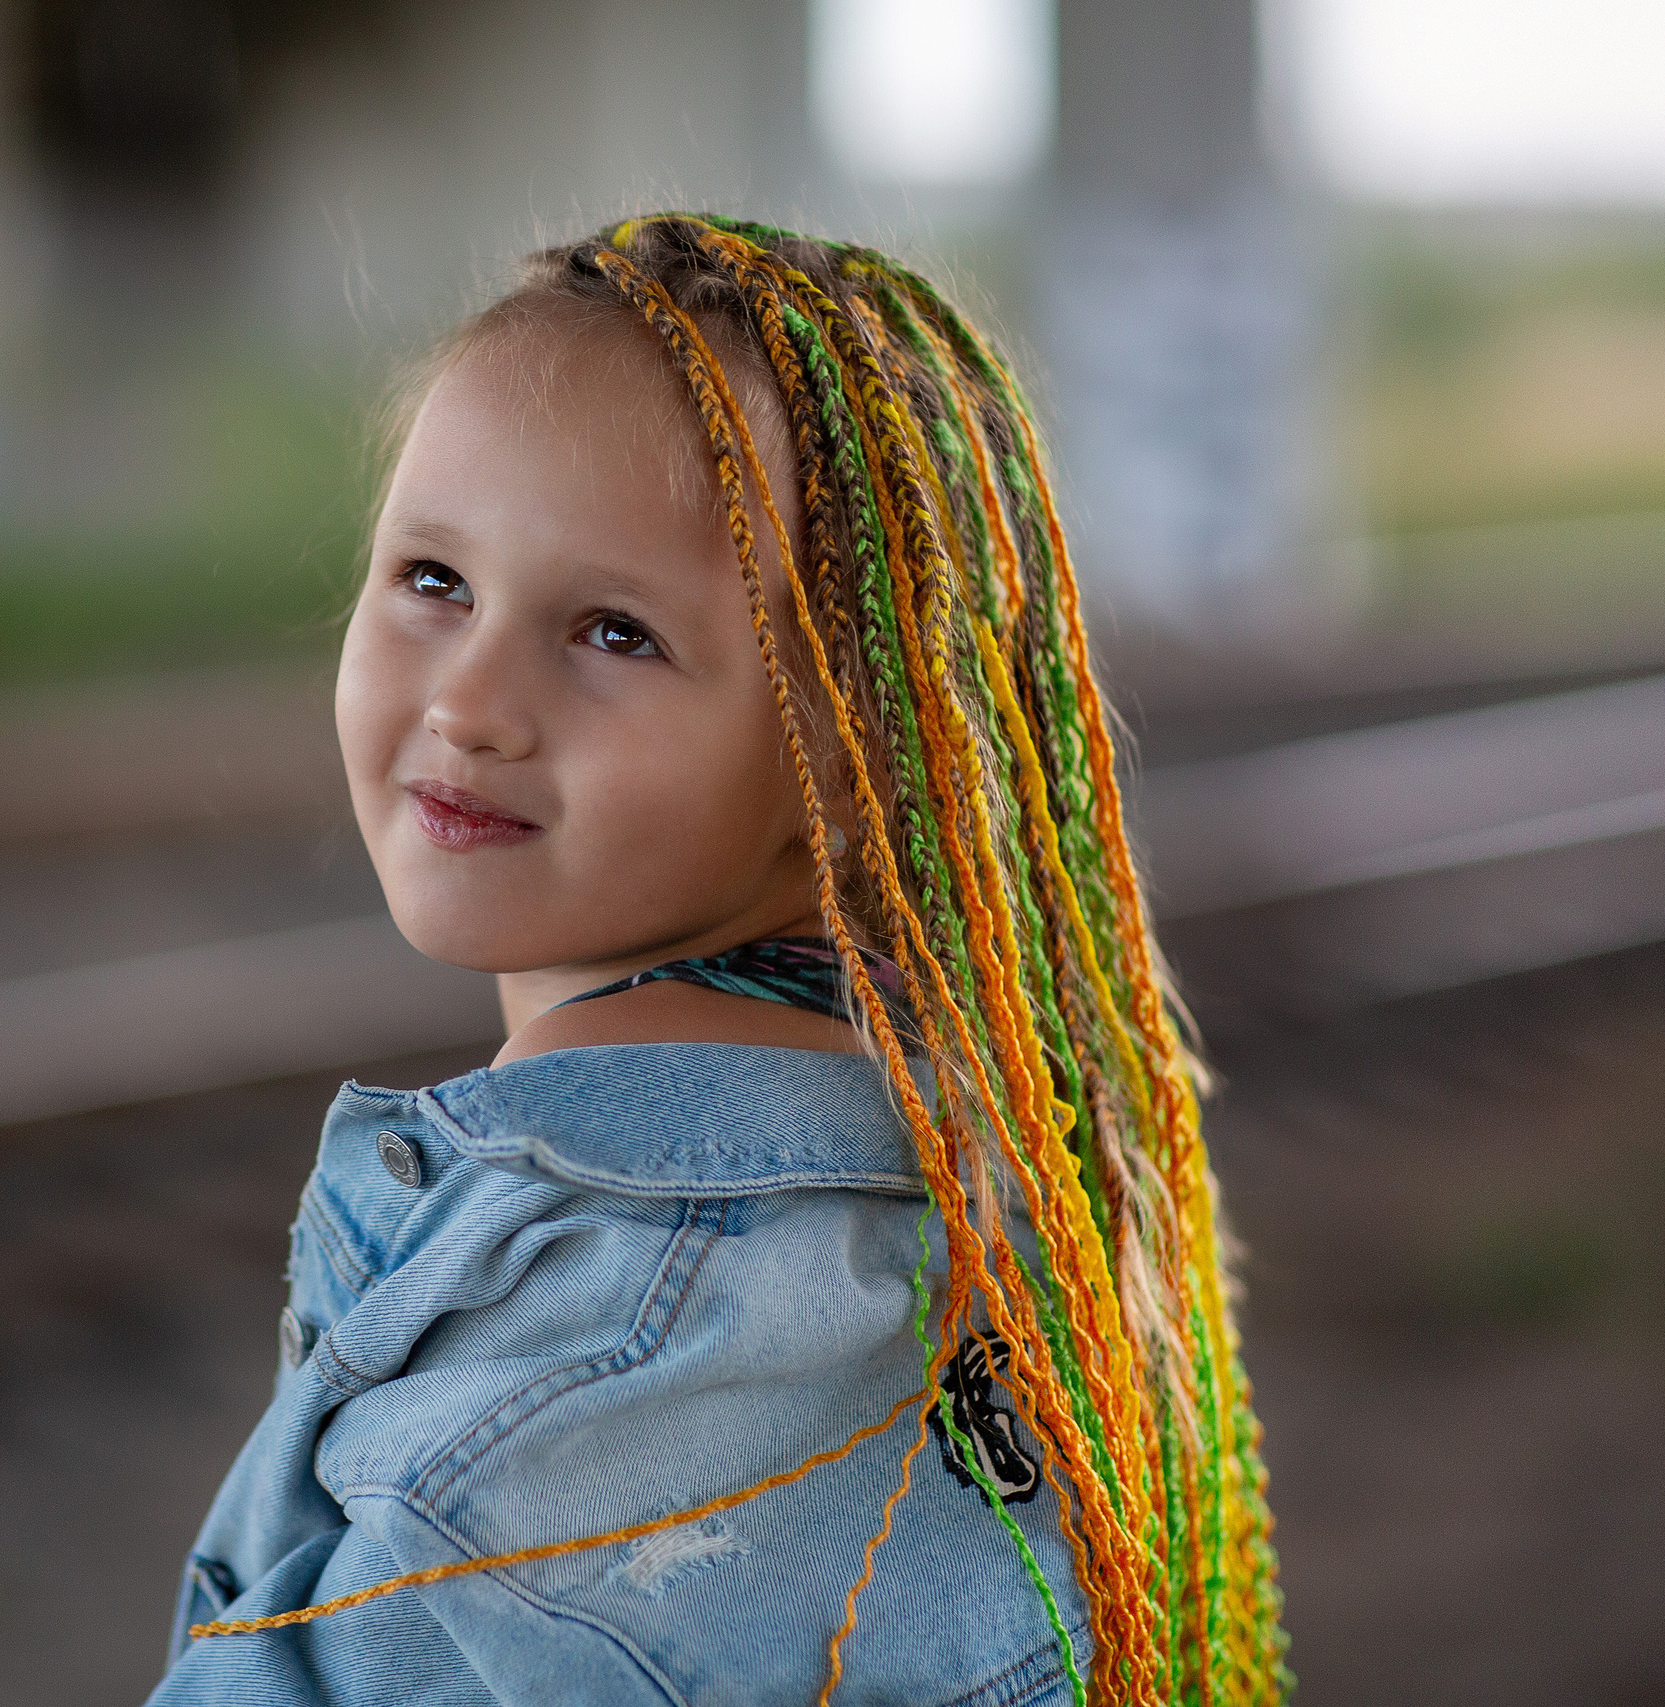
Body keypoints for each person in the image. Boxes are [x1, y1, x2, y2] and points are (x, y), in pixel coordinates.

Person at [145, 215, 1287, 1707]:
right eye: (433, 579)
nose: (475, 700)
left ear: (857, 756)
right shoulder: (972, 1142)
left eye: (614, 632)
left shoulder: (629, 1320)